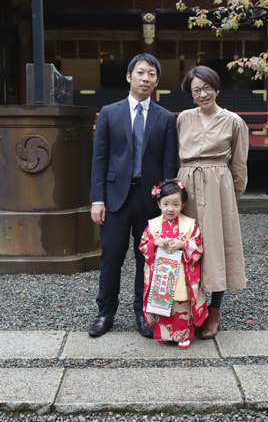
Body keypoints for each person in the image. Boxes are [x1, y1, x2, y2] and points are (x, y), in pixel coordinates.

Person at [89, 53, 177, 338]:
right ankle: (106, 312)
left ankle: (143, 312)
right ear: (129, 76)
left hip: (150, 199)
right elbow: (99, 160)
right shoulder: (109, 113)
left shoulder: (165, 118)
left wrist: (167, 204)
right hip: (114, 197)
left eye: (151, 74)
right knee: (112, 255)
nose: (146, 78)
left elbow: (168, 165)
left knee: (147, 258)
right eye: (140, 72)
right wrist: (97, 199)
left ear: (157, 81)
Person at [177, 65, 249, 339]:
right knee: (187, 246)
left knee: (217, 247)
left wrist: (230, 197)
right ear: (191, 93)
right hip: (187, 185)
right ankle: (187, 308)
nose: (202, 94)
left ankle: (214, 309)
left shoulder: (233, 121)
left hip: (218, 186)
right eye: (197, 90)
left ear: (216, 88)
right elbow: (176, 155)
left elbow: (239, 165)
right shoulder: (183, 118)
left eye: (207, 88)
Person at [139, 179, 208, 349]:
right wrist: (155, 243)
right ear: (159, 204)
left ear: (183, 205)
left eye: (176, 204)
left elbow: (197, 247)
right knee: (162, 302)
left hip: (181, 272)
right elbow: (143, 245)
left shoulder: (189, 225)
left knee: (181, 303)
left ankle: (183, 334)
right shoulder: (153, 225)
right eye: (166, 204)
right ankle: (164, 334)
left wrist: (184, 245)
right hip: (161, 272)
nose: (171, 209)